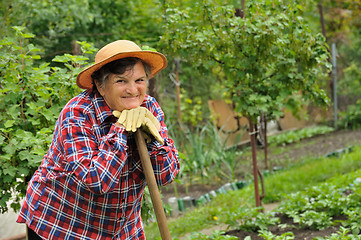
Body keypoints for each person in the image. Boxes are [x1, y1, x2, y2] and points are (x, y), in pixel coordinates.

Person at [17, 40, 180, 239]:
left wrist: (154, 141)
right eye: (121, 81)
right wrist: (120, 130)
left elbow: (166, 175)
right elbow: (97, 181)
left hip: (119, 228)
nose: (133, 90)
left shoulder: (149, 108)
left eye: (139, 80)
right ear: (100, 86)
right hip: (62, 224)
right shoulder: (78, 114)